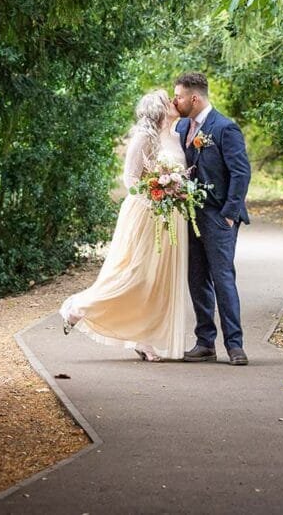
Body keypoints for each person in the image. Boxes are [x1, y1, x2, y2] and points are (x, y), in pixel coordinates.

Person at [59, 89, 192, 361]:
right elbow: (130, 179)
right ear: (159, 107)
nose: (174, 102)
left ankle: (145, 339)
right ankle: (79, 306)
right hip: (146, 214)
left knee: (158, 281)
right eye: (169, 99)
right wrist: (156, 198)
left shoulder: (178, 135)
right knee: (136, 273)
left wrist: (176, 194)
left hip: (171, 218)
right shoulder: (146, 136)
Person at [172, 72, 251, 365]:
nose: (175, 101)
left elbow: (241, 173)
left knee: (223, 279)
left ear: (195, 98)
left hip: (219, 216)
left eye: (178, 96)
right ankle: (205, 343)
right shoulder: (181, 127)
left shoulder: (225, 128)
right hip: (190, 216)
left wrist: (229, 215)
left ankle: (235, 346)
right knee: (197, 279)